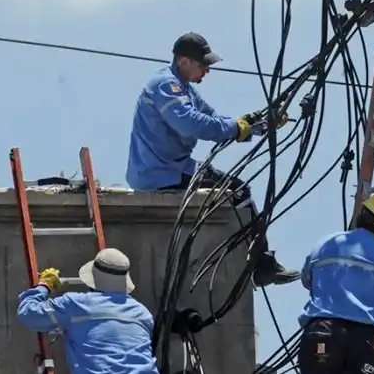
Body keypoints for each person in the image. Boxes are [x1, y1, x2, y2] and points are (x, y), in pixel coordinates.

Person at [125, 31, 299, 287]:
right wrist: (236, 128)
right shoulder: (166, 85)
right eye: (202, 64)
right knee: (239, 193)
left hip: (172, 168)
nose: (207, 70)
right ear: (183, 60)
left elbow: (215, 119)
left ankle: (254, 261)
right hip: (161, 173)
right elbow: (191, 124)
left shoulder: (184, 88)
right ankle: (259, 264)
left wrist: (258, 125)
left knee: (235, 191)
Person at [298, 193, 374, 374]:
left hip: (323, 332)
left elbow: (307, 281)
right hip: (366, 341)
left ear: (362, 213)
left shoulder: (326, 244)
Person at [16, 248, 159, 374]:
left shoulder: (76, 305)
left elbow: (28, 313)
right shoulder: (143, 314)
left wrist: (44, 286)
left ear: (93, 279)